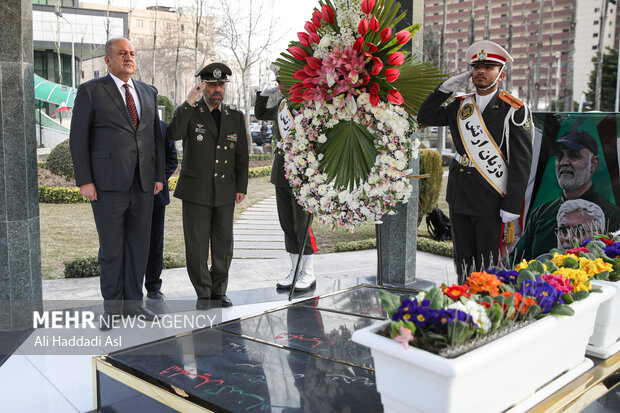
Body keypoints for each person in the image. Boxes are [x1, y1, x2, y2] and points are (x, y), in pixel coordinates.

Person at [418, 40, 533, 283]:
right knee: (463, 262)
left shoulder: (514, 109)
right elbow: (425, 115)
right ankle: (464, 302)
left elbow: (521, 162)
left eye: (489, 66)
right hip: (460, 197)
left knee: (488, 264)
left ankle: (486, 308)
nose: (480, 71)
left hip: (492, 197)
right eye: (476, 66)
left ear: (500, 74)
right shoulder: (460, 104)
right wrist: (444, 89)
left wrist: (512, 206)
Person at [70, 37, 164, 328]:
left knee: (139, 247)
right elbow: (78, 139)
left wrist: (159, 176)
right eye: (122, 53)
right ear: (107, 60)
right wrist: (85, 180)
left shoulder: (148, 92)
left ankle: (134, 305)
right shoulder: (91, 91)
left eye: (132, 53)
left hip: (144, 185)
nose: (128, 57)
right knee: (112, 250)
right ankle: (112, 310)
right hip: (107, 185)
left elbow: (155, 139)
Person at [168, 62, 249, 309]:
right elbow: (174, 133)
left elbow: (241, 155)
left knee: (223, 244)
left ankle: (219, 290)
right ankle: (203, 293)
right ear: (203, 86)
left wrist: (241, 186)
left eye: (221, 85)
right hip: (196, 190)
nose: (217, 90)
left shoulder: (235, 116)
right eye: (212, 85)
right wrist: (188, 102)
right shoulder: (191, 111)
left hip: (225, 190)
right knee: (197, 244)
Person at [254, 67, 318, 291]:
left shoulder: (307, 104)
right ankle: (295, 269)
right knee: (287, 224)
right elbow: (261, 114)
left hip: (302, 173)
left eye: (284, 81)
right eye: (278, 82)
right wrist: (262, 94)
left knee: (302, 225)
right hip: (281, 172)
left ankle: (308, 272)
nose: (281, 85)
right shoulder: (281, 105)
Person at [512, 129, 620, 259]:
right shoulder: (542, 214)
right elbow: (517, 261)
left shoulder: (613, 217)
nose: (564, 162)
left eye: (573, 155)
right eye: (559, 157)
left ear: (593, 164)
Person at [144, 120, 178, 300]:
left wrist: (158, 179)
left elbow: (172, 159)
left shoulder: (164, 128)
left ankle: (153, 287)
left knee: (155, 244)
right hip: (131, 194)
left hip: (156, 196)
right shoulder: (127, 124)